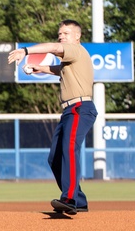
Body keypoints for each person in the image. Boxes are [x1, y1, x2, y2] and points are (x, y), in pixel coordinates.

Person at [7, 19, 97, 215]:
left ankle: (70, 198)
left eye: (65, 33)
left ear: (77, 36)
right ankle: (79, 200)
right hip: (69, 111)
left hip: (80, 108)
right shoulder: (71, 59)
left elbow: (54, 47)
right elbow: (61, 70)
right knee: (54, 158)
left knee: (69, 147)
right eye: (60, 33)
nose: (61, 36)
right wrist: (42, 69)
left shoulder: (75, 49)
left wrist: (26, 51)